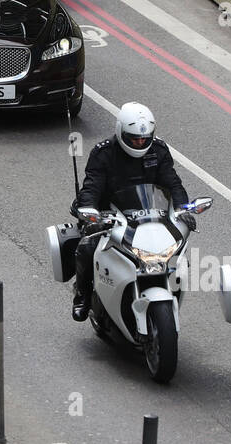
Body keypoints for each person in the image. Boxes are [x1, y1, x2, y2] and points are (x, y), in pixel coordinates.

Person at [69, 103, 191, 322]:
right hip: (111, 215)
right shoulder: (103, 153)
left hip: (149, 214)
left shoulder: (159, 150)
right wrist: (90, 214)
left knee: (177, 252)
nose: (140, 142)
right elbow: (91, 188)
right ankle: (83, 296)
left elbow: (173, 185)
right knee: (87, 247)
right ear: (121, 132)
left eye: (145, 139)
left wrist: (183, 209)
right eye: (134, 139)